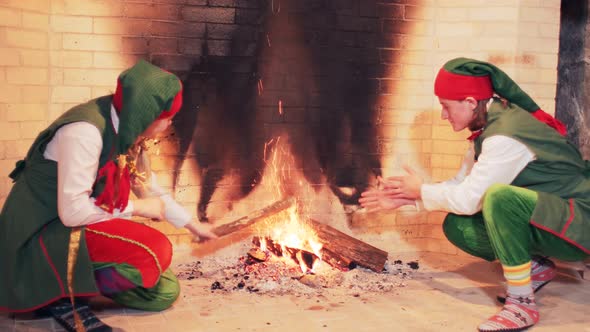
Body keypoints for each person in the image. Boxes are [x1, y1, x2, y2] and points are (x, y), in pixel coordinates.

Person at [360, 57, 589, 332]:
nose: (443, 115)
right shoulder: (487, 127)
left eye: (446, 106)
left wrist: (421, 190)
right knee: (458, 225)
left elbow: (470, 200)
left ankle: (522, 304)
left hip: (579, 222)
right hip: (551, 215)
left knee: (499, 198)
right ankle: (535, 268)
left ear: (470, 102)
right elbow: (461, 185)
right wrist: (410, 198)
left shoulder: (504, 136)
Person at [0, 60, 216, 332]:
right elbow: (72, 212)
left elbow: (150, 189)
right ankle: (59, 293)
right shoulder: (86, 132)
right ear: (147, 114)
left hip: (76, 223)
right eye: (168, 117)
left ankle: (79, 282)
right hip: (45, 229)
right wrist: (137, 208)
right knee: (155, 250)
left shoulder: (127, 127)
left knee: (163, 292)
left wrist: (194, 225)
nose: (171, 122)